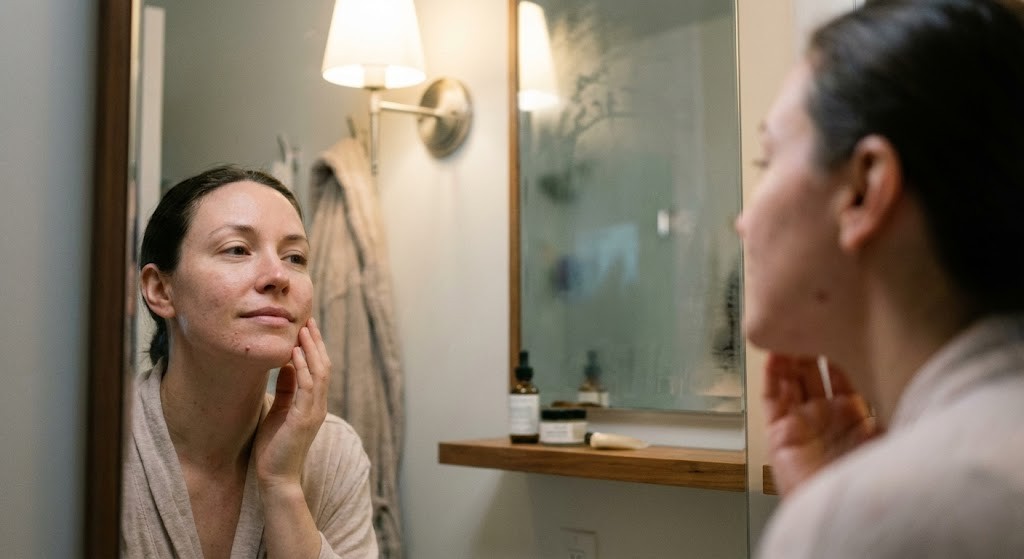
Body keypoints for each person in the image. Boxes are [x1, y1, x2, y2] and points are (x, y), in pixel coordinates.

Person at [735, 0, 1024, 556]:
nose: (743, 222)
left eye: (767, 160)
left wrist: (843, 521)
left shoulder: (887, 516)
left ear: (864, 190)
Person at [121, 165, 378, 558]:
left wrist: (282, 485)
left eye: (295, 256)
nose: (278, 275)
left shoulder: (331, 452)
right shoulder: (99, 443)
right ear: (160, 290)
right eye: (237, 249)